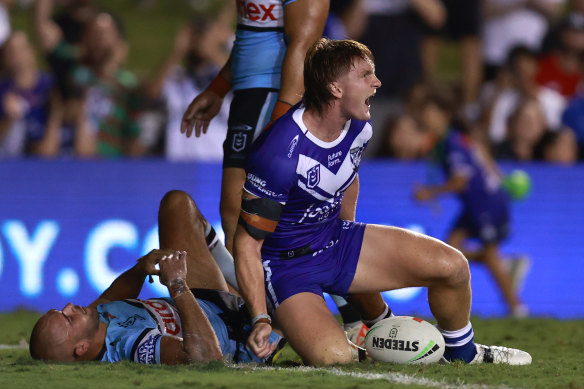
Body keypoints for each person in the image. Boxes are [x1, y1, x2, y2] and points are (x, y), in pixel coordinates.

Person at [234, 38, 532, 366]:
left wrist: (348, 242)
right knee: (334, 358)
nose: (377, 83)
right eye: (365, 75)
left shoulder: (359, 125)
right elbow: (248, 243)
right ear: (334, 87)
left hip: (334, 240)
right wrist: (261, 317)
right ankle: (358, 342)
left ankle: (463, 354)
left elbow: (348, 177)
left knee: (454, 267)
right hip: (288, 267)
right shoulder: (277, 152)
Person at [180, 0, 386, 344]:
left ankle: (276, 319)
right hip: (251, 92)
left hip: (275, 94)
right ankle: (288, 316)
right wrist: (220, 87)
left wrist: (281, 122)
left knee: (241, 213)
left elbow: (302, 46)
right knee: (236, 213)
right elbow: (250, 36)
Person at [29, 190, 282, 364]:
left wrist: (140, 270)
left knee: (176, 204)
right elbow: (207, 358)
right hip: (238, 332)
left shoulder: (92, 320)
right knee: (291, 294)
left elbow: (109, 296)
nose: (69, 306)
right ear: (81, 348)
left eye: (61, 309)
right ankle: (267, 300)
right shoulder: (130, 347)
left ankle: (250, 288)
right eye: (67, 318)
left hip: (209, 299)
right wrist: (177, 285)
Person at [412, 89, 529, 317]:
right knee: (452, 250)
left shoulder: (452, 142)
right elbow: (481, 159)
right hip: (478, 202)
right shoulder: (454, 138)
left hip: (485, 203)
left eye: (429, 111)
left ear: (444, 115)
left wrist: (431, 193)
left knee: (487, 251)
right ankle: (505, 269)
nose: (425, 116)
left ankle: (517, 308)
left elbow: (460, 181)